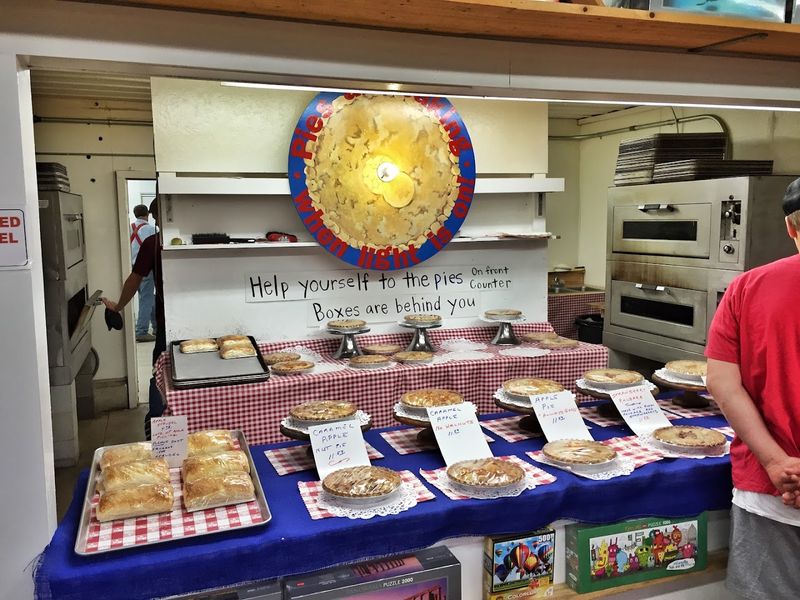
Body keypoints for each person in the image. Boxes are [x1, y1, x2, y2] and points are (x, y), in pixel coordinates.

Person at [706, 177, 800, 600]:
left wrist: (778, 464)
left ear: (790, 227)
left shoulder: (748, 287)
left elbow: (722, 383)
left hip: (770, 491)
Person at [103, 198, 165, 439]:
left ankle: (157, 425)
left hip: (167, 324)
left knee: (159, 371)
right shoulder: (154, 240)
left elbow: (135, 278)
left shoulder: (153, 241)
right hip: (188, 323)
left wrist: (118, 306)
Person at [130, 204, 157, 342]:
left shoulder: (129, 228)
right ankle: (141, 331)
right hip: (148, 269)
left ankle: (156, 327)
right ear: (147, 214)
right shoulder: (152, 229)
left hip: (133, 268)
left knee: (147, 297)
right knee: (146, 299)